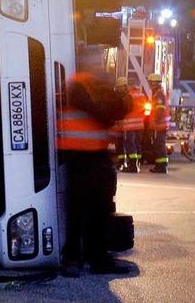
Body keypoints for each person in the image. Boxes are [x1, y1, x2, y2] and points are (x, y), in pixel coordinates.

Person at [58, 48, 130, 277]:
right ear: (86, 64)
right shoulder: (78, 85)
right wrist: (110, 105)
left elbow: (119, 109)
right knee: (78, 211)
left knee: (101, 210)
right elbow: (104, 113)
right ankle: (73, 259)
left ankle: (97, 259)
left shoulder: (96, 86)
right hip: (79, 157)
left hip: (97, 156)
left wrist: (113, 101)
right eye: (96, 61)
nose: (99, 65)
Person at [121, 82, 147, 173]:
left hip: (130, 125)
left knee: (130, 145)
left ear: (129, 87)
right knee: (137, 145)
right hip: (140, 125)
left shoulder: (129, 96)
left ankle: (132, 166)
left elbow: (124, 110)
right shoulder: (142, 96)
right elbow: (146, 110)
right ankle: (138, 163)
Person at [148, 73, 170, 173]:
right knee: (158, 145)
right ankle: (159, 166)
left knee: (159, 145)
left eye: (150, 83)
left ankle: (162, 167)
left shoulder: (159, 94)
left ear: (154, 83)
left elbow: (160, 109)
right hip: (159, 125)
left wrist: (156, 121)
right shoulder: (157, 93)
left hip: (159, 125)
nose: (149, 85)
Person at [111, 77, 132, 170]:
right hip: (118, 125)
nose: (119, 88)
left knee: (125, 144)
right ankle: (121, 162)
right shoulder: (117, 96)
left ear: (125, 86)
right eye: (118, 87)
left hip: (125, 125)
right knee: (119, 145)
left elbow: (128, 110)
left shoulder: (128, 97)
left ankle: (126, 163)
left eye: (121, 87)